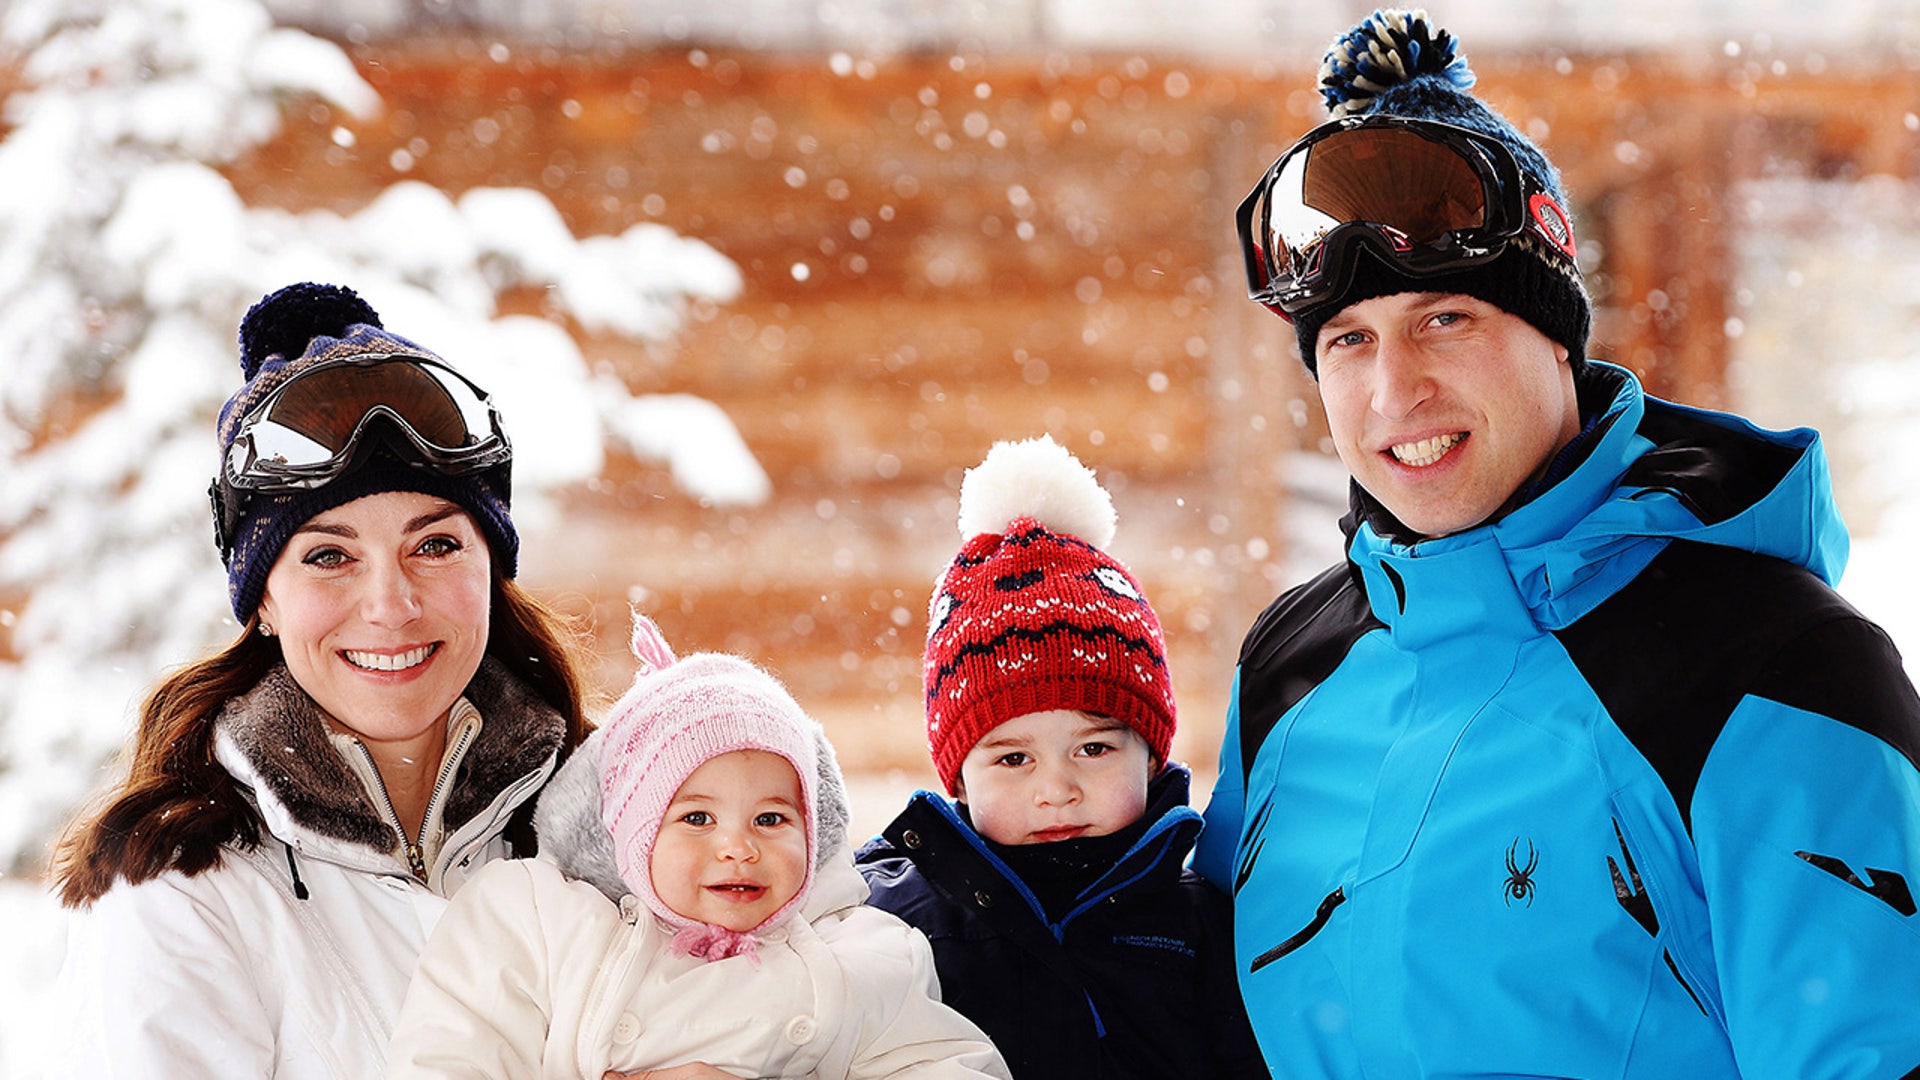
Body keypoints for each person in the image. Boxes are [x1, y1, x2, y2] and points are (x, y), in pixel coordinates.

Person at [1196, 8, 1920, 1077]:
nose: (1395, 391)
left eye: (1447, 319)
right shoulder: (1291, 670)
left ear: (1556, 339)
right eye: (1349, 340)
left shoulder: (1770, 668)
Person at [45, 282, 595, 1077]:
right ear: (263, 600)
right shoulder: (187, 889)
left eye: (434, 546)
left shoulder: (626, 815)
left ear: (492, 565)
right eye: (328, 556)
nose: (391, 605)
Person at [385, 612, 1011, 1080]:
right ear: (631, 831)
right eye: (696, 818)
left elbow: (948, 1067)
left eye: (770, 819)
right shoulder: (539, 921)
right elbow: (449, 1058)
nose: (738, 848)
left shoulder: (863, 954)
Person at [857, 435, 1268, 1079]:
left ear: (1153, 759)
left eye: (1094, 747)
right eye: (1013, 759)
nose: (1057, 789)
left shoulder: (1206, 926)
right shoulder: (891, 930)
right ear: (959, 779)